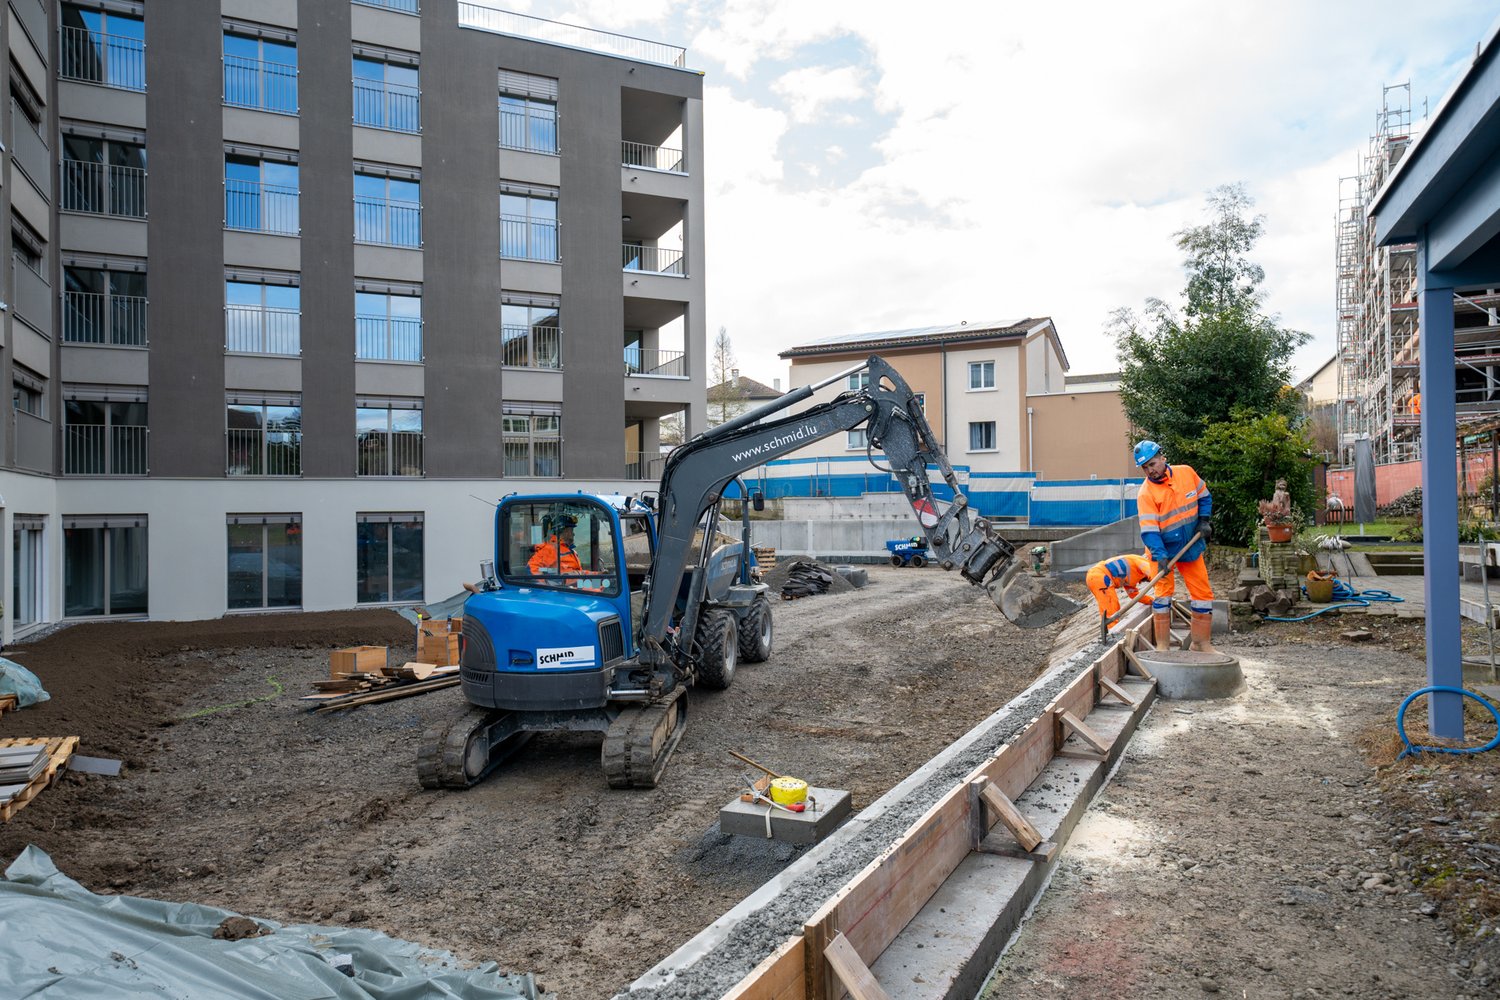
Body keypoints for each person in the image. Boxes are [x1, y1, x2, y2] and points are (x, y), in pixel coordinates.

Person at [1133, 440, 1216, 652]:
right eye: (1145, 467)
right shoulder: (1145, 494)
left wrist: (1204, 521)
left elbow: (1204, 496)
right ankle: (1162, 646)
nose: (1150, 470)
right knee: (1162, 594)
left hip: (1190, 546)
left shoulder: (1186, 473)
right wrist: (1160, 556)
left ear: (1163, 457)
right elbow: (1149, 531)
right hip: (1161, 551)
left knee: (1202, 593)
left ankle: (1201, 643)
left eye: (1152, 464)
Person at [1085, 552, 1156, 619]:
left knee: (1106, 607)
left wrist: (1151, 601)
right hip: (1099, 577)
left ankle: (1109, 628)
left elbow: (1134, 595)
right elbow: (1155, 577)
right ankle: (1112, 630)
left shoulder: (1133, 574)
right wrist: (1161, 597)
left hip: (1095, 577)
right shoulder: (1142, 563)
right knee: (1111, 606)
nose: (1141, 582)